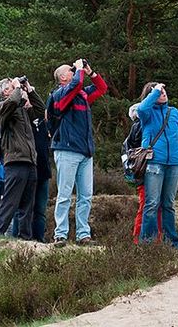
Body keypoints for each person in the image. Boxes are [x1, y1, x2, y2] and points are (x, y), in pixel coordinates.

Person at [48, 59, 107, 245]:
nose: (74, 72)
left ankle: (83, 235)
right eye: (71, 71)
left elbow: (101, 88)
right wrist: (80, 70)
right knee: (64, 195)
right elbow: (76, 84)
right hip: (67, 150)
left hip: (84, 151)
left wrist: (91, 72)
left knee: (86, 196)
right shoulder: (59, 95)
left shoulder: (80, 94)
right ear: (63, 77)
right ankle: (60, 234)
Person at [136, 82, 178, 249]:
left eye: (164, 92)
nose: (163, 94)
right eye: (159, 93)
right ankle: (147, 244)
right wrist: (155, 91)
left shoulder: (174, 113)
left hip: (175, 164)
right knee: (152, 203)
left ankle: (172, 242)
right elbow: (141, 109)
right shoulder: (147, 113)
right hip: (155, 162)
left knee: (168, 204)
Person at [0, 77, 45, 238]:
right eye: (11, 87)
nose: (16, 88)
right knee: (10, 201)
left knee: (28, 204)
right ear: (5, 92)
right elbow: (11, 103)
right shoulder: (1, 108)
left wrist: (30, 90)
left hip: (29, 160)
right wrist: (16, 88)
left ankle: (25, 236)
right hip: (15, 161)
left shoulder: (22, 109)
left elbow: (41, 110)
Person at [11, 93, 52, 242]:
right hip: (27, 168)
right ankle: (18, 238)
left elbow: (42, 108)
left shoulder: (41, 120)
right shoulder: (20, 120)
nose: (27, 101)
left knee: (40, 210)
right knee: (22, 208)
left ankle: (39, 239)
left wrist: (30, 90)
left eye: (29, 98)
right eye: (25, 98)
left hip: (43, 170)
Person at [122, 105, 160, 243]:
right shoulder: (140, 127)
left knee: (148, 205)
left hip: (139, 173)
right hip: (145, 172)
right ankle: (141, 239)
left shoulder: (131, 133)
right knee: (149, 205)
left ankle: (142, 238)